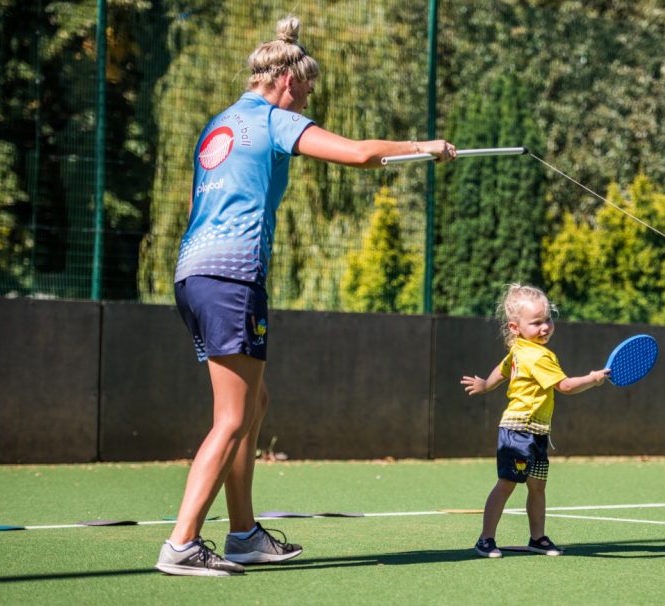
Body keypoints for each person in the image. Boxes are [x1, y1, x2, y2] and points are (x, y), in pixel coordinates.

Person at [155, 15, 456, 577]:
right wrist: (427, 147)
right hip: (231, 275)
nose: (306, 102)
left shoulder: (218, 124)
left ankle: (243, 534)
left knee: (254, 405)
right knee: (231, 418)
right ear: (288, 81)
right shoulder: (270, 121)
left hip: (193, 273)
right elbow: (362, 154)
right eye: (308, 91)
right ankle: (182, 542)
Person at [460, 284, 610, 558]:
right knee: (506, 484)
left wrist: (486, 385)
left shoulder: (521, 350)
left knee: (537, 486)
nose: (545, 327)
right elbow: (564, 387)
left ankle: (537, 539)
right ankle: (485, 540)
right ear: (515, 327)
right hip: (519, 429)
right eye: (536, 323)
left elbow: (503, 369)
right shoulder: (538, 355)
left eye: (548, 320)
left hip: (538, 431)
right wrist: (593, 379)